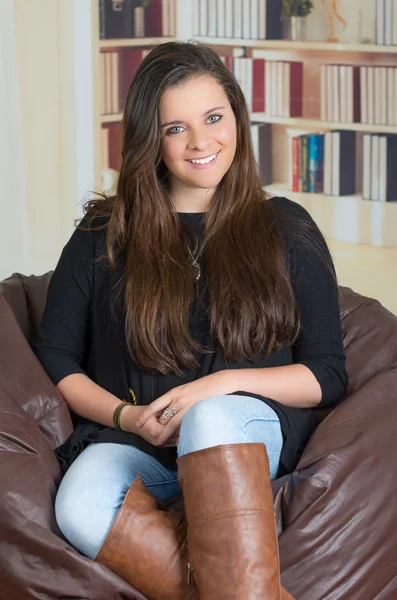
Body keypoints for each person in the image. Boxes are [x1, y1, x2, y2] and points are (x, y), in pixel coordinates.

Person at [35, 41, 348, 600]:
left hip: (247, 435)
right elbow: (57, 357)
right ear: (150, 140)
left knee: (210, 418)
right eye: (176, 128)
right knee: (79, 504)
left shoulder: (286, 227)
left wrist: (219, 385)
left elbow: (325, 374)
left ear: (236, 118)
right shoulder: (103, 234)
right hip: (142, 441)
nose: (202, 143)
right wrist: (127, 418)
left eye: (213, 118)